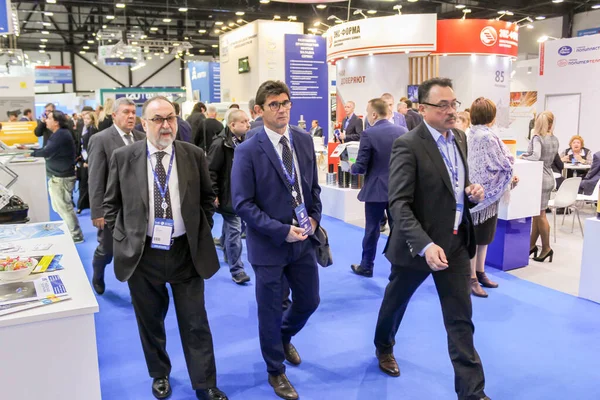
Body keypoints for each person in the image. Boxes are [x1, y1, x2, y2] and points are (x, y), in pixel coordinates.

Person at [103, 96, 228, 400]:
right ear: (144, 124)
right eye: (157, 119)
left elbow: (206, 199)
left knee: (195, 321)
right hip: (143, 255)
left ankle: (204, 383)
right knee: (150, 321)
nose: (166, 125)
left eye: (170, 118)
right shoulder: (124, 157)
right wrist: (125, 238)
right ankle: (159, 374)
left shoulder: (193, 154)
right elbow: (111, 205)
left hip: (186, 252)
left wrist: (199, 231)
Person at [373, 78, 490, 400]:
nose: (452, 110)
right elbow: (398, 203)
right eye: (443, 105)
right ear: (423, 109)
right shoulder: (408, 144)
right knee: (395, 305)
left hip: (454, 245)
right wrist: (424, 244)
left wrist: (471, 195)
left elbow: (452, 191)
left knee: (460, 320)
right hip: (418, 247)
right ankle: (384, 346)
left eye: (454, 103)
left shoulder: (461, 139)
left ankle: (472, 392)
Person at [231, 80, 321, 400]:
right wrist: (281, 230)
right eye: (274, 104)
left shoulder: (304, 141)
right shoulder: (247, 150)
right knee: (269, 309)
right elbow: (242, 203)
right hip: (269, 245)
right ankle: (275, 370)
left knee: (309, 300)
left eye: (285, 102)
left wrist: (314, 218)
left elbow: (312, 188)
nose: (281, 109)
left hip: (303, 241)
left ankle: (283, 336)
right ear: (259, 110)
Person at [88, 97, 145, 295]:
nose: (131, 116)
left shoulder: (141, 136)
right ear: (114, 115)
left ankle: (140, 287)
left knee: (138, 248)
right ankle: (97, 275)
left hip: (137, 208)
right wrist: (98, 211)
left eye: (133, 112)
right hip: (112, 209)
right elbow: (95, 178)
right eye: (126, 112)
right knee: (107, 250)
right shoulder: (101, 139)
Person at [348, 98, 407, 277]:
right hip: (398, 189)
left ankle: (366, 266)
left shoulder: (369, 134)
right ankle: (397, 270)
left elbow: (361, 164)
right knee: (397, 230)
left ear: (374, 114)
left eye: (367, 113)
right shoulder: (403, 131)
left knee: (372, 229)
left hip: (376, 190)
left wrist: (351, 166)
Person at [467, 98, 517, 298]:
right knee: (479, 238)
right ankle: (471, 278)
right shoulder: (487, 136)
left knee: (483, 237)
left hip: (477, 192)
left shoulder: (471, 133)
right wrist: (509, 175)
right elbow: (505, 161)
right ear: (492, 115)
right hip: (483, 194)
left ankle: (479, 273)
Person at [207, 109, 251, 284]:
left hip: (242, 195)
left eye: (248, 121)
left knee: (233, 228)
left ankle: (226, 250)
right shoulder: (220, 144)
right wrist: (214, 193)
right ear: (232, 125)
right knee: (234, 229)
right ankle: (237, 270)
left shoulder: (245, 142)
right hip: (228, 196)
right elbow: (210, 170)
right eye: (244, 122)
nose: (248, 124)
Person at [28, 110, 84, 243]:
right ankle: (72, 231)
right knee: (60, 207)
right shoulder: (58, 134)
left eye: (48, 118)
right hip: (58, 176)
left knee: (64, 207)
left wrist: (30, 154)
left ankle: (76, 235)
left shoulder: (61, 135)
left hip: (62, 177)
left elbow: (47, 151)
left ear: (56, 122)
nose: (46, 120)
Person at [520, 111, 560, 263]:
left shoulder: (537, 138)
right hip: (548, 176)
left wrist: (524, 156)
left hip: (539, 178)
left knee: (541, 214)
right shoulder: (555, 139)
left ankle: (546, 248)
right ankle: (531, 246)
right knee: (537, 214)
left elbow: (536, 156)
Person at [76, 111, 99, 214]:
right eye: (85, 119)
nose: (86, 121)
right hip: (82, 159)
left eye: (88, 119)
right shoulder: (82, 128)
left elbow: (93, 147)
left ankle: (85, 205)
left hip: (90, 160)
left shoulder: (93, 130)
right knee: (82, 183)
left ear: (92, 120)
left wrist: (88, 160)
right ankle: (82, 205)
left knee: (87, 184)